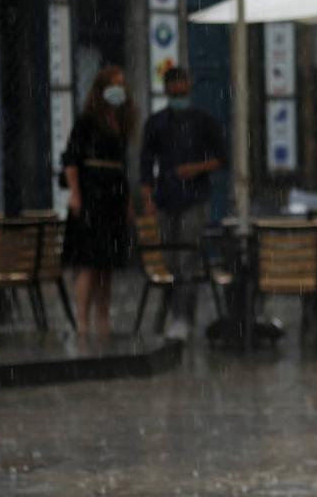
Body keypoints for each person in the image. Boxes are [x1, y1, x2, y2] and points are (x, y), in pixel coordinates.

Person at [138, 67, 225, 339]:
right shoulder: (156, 123)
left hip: (194, 199)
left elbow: (221, 158)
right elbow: (145, 163)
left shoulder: (203, 121)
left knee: (187, 259)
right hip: (167, 199)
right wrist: (149, 199)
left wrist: (196, 168)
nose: (179, 96)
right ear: (166, 91)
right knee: (171, 259)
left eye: (183, 91)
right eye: (175, 92)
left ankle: (183, 318)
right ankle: (177, 314)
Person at [63, 66, 136, 336]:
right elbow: (71, 158)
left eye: (122, 84)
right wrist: (76, 193)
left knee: (107, 264)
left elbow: (122, 166)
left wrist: (127, 201)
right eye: (115, 84)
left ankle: (103, 318)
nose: (120, 89)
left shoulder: (120, 122)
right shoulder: (87, 121)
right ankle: (82, 320)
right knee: (88, 261)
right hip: (92, 193)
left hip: (113, 195)